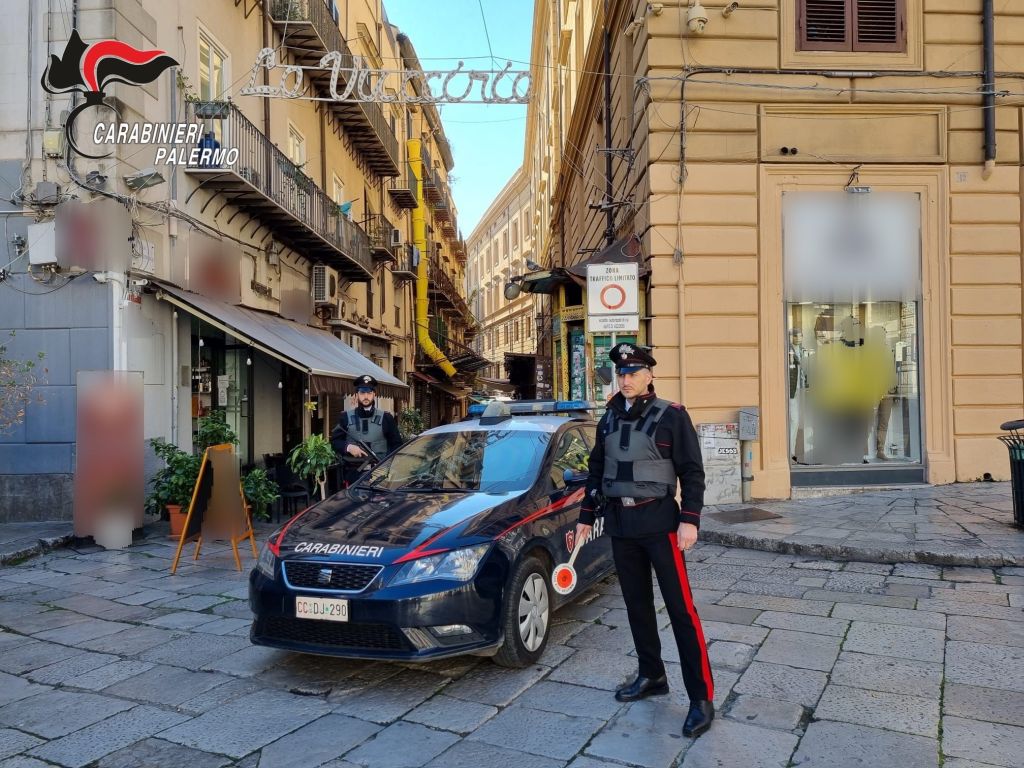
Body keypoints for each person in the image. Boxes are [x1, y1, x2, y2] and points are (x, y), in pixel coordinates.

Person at [575, 343, 714, 739]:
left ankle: (701, 698)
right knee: (637, 607)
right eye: (622, 374)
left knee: (681, 610)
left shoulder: (672, 416)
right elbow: (597, 468)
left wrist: (690, 520)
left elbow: (692, 471)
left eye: (634, 372)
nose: (627, 379)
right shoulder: (608, 418)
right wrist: (587, 517)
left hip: (660, 524)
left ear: (650, 375)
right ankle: (652, 674)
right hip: (621, 523)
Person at [330, 375, 402, 487]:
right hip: (353, 475)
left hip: (380, 475)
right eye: (362, 393)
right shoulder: (345, 418)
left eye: (369, 393)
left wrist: (385, 465)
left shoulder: (386, 418)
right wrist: (349, 447)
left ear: (374, 394)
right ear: (357, 394)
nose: (366, 396)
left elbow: (397, 445)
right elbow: (335, 441)